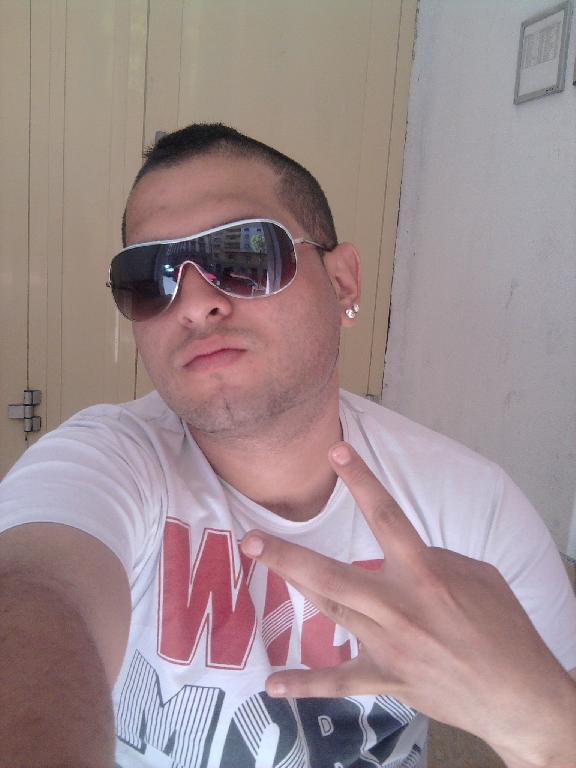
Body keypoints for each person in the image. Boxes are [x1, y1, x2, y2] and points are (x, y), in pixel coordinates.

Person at [0, 123, 575, 768]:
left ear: (343, 282)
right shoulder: (104, 462)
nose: (194, 303)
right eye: (148, 277)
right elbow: (33, 592)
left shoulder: (471, 506)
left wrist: (543, 723)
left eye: (244, 255)